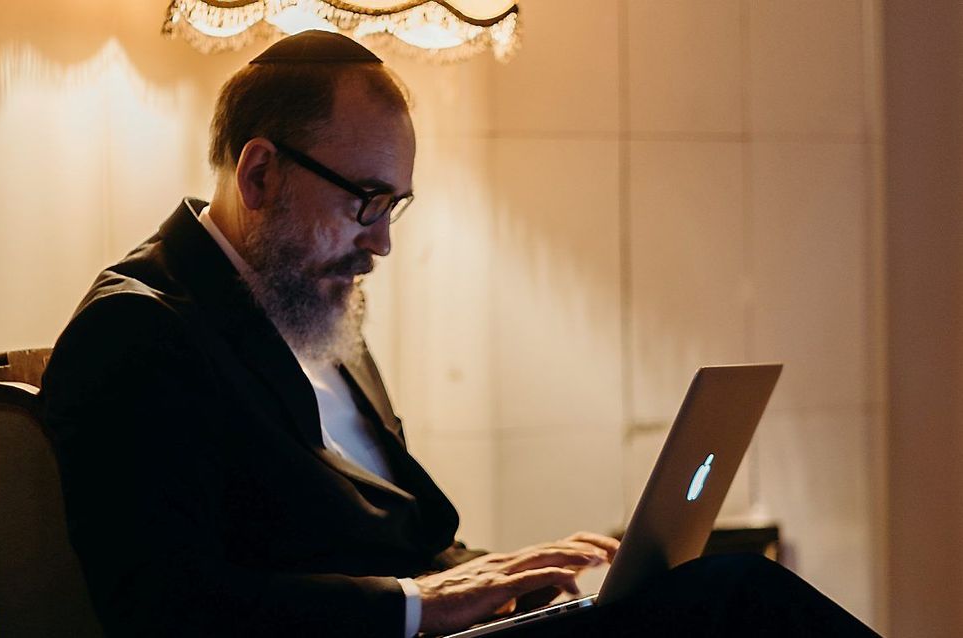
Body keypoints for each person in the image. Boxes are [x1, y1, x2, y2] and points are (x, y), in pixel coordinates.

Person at [42, 31, 879, 637]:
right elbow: (166, 610)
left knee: (694, 583)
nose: (383, 242)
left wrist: (522, 579)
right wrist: (422, 603)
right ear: (260, 173)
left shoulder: (317, 309)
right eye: (365, 201)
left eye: (393, 206)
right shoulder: (138, 330)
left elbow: (400, 534)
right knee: (731, 599)